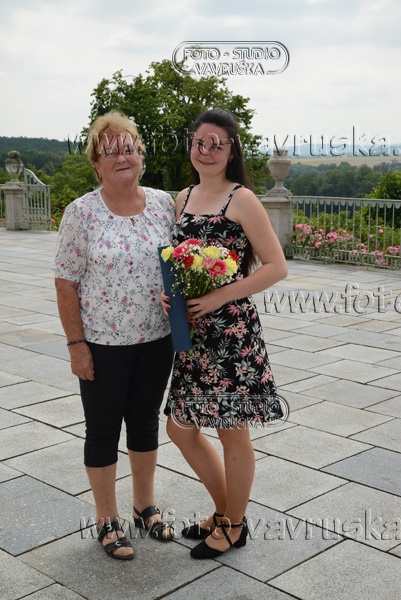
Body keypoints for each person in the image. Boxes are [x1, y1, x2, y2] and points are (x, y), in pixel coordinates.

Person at [162, 108, 288, 559]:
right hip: (192, 336)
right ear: (191, 146)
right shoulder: (182, 198)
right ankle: (226, 512)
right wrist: (173, 298)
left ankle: (233, 526)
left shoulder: (242, 199)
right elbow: (175, 262)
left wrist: (219, 296)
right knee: (180, 428)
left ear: (232, 151)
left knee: (232, 431)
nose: (207, 151)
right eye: (200, 142)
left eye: (217, 144)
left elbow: (276, 267)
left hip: (231, 334)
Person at [53, 110, 175, 560]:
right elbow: (65, 282)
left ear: (140, 156)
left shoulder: (164, 204)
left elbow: (180, 262)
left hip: (157, 339)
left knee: (144, 421)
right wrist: (76, 345)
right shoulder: (81, 213)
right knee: (103, 429)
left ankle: (144, 506)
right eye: (111, 152)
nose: (122, 157)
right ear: (97, 165)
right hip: (102, 345)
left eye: (129, 148)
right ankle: (107, 519)